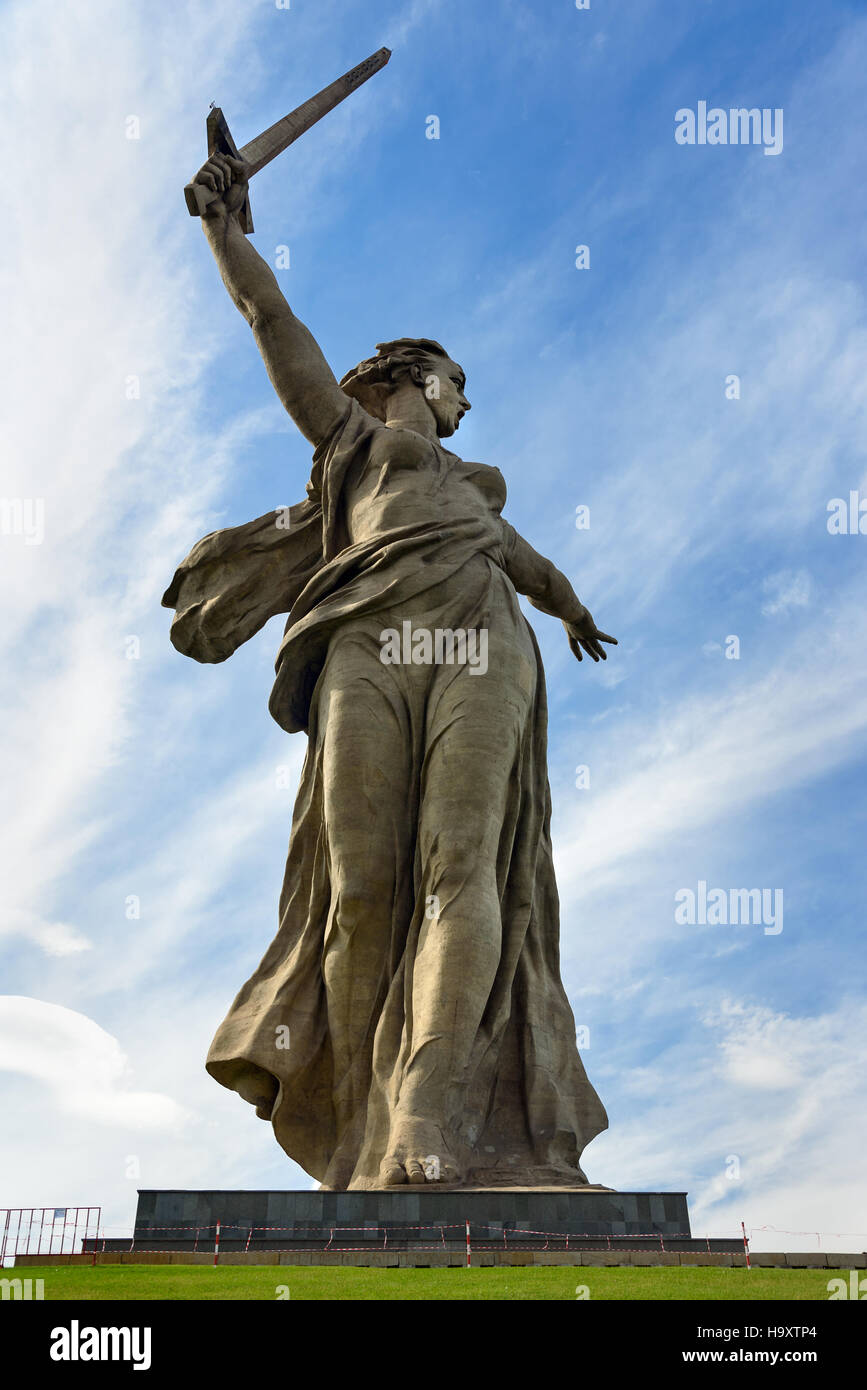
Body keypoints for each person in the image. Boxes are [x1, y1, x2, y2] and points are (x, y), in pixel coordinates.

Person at [163, 153, 617, 1190]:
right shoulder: (356, 440)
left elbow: (528, 564)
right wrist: (224, 232)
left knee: (466, 863)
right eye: (459, 382)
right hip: (367, 634)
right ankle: (359, 1121)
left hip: (477, 640)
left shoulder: (478, 494)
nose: (467, 401)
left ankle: (428, 1107)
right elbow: (275, 326)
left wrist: (577, 611)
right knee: (361, 886)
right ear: (420, 376)